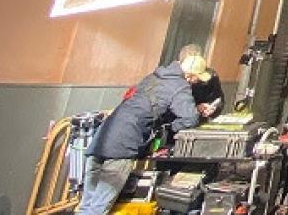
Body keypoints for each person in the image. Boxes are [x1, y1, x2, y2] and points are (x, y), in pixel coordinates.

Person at [78, 46, 207, 215]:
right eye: (197, 79)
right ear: (190, 76)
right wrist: (170, 128)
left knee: (87, 206)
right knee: (98, 208)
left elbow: (148, 105)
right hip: (123, 145)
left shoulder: (154, 76)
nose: (196, 82)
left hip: (103, 136)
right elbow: (190, 118)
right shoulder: (180, 86)